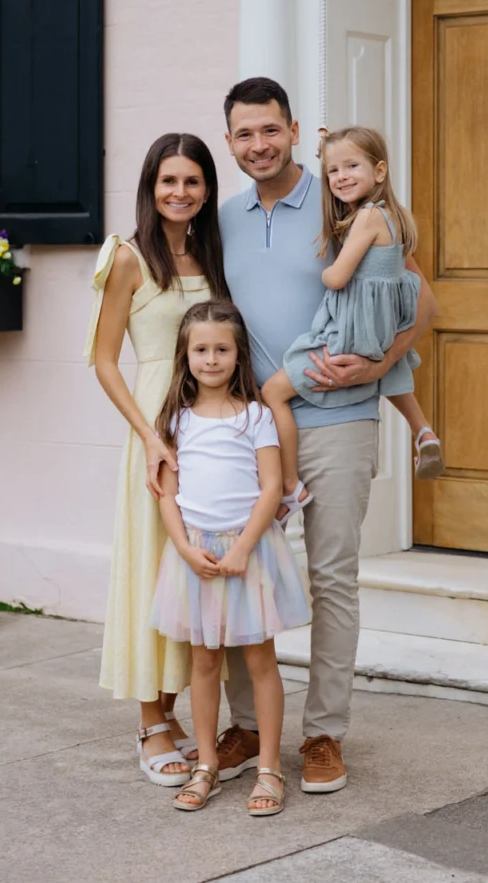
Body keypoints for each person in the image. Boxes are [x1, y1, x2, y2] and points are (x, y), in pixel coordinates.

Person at [217, 78, 437, 794]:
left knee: (332, 576)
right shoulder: (225, 218)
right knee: (240, 570)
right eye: (244, 134)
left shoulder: (342, 199)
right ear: (230, 141)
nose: (259, 145)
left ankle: (323, 732)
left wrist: (378, 360)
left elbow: (420, 299)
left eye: (270, 130)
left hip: (338, 417)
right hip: (251, 427)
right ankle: (250, 725)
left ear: (294, 129)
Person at [86, 133, 229, 787]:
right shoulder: (128, 257)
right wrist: (149, 434)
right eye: (168, 180)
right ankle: (151, 720)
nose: (180, 192)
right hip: (157, 428)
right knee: (154, 567)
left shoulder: (210, 251)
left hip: (210, 425)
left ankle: (179, 709)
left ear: (206, 188)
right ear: (150, 185)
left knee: (193, 570)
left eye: (192, 181)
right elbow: (104, 358)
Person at [150, 301, 309, 815]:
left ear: (238, 356)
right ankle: (207, 767)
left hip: (248, 553)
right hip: (195, 554)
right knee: (204, 660)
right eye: (201, 349)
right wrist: (183, 547)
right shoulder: (174, 420)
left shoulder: (256, 416)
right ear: (186, 354)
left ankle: (269, 767)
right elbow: (166, 495)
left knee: (261, 659)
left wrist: (242, 549)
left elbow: (271, 489)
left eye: (222, 349)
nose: (211, 359)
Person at [262, 124, 443, 514]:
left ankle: (291, 485)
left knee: (272, 392)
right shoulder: (397, 217)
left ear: (379, 171)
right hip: (381, 329)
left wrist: (324, 273)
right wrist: (324, 151)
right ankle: (423, 431)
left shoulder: (366, 218)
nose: (341, 177)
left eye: (352, 167)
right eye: (332, 171)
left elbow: (338, 276)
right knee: (389, 370)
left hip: (351, 330)